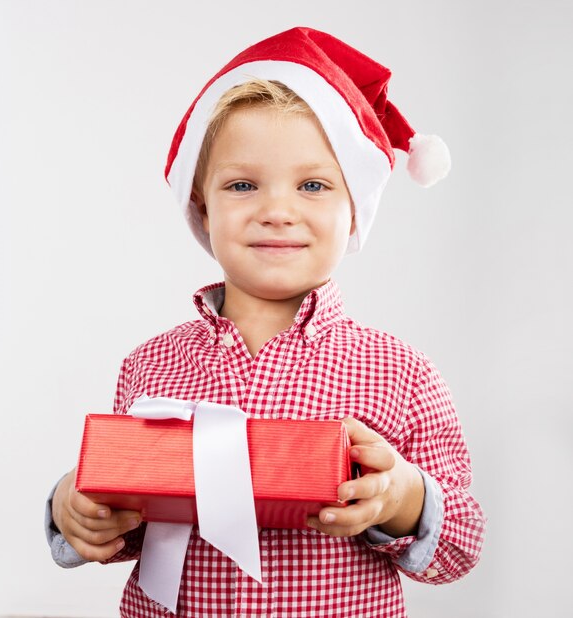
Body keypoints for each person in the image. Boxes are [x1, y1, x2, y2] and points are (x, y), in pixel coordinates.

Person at [46, 26, 485, 617]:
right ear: (201, 205)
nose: (277, 211)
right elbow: (129, 522)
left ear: (353, 208)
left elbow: (460, 546)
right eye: (243, 184)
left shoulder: (401, 373)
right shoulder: (148, 367)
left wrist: (402, 497)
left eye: (313, 185)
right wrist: (76, 509)